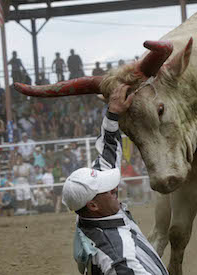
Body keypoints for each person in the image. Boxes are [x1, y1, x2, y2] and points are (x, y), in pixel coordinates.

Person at [64, 84, 168, 274]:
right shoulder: (120, 259)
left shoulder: (90, 215)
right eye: (108, 189)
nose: (115, 189)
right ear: (93, 205)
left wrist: (113, 113)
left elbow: (108, 150)